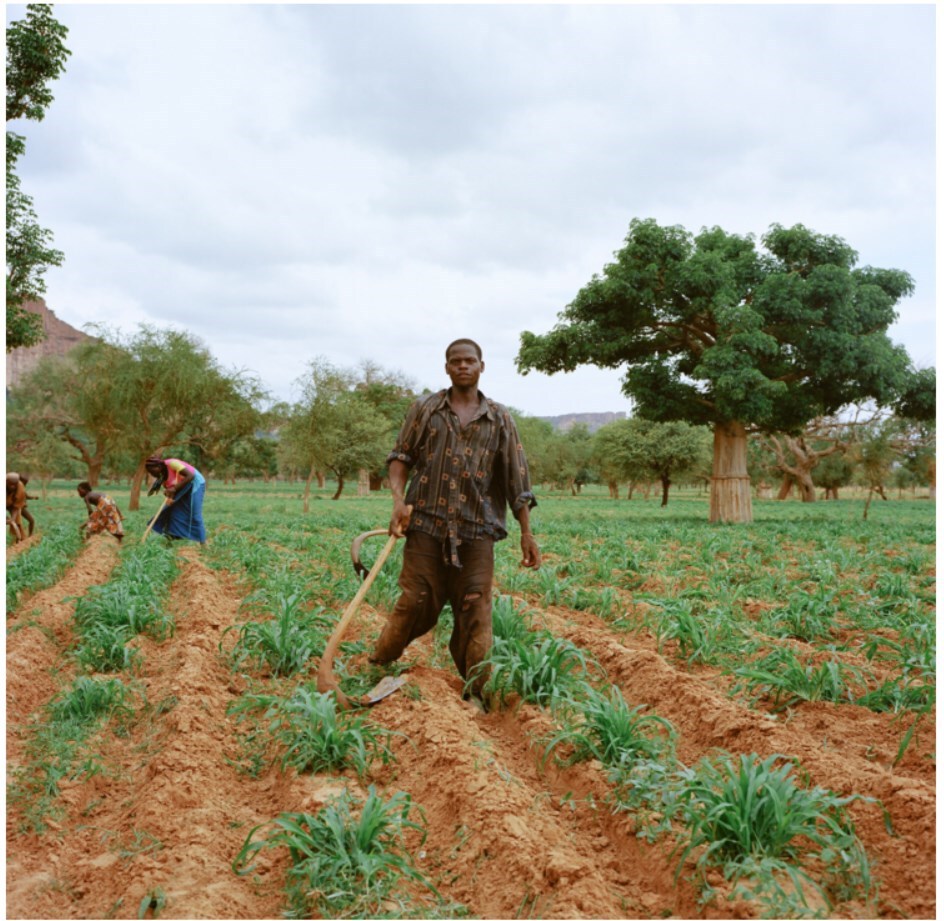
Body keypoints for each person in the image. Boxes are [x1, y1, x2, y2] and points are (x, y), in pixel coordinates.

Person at [368, 338, 541, 709]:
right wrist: (398, 501)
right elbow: (400, 458)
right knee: (414, 601)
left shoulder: (499, 418)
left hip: (477, 532)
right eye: (456, 361)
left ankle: (477, 691)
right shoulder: (425, 409)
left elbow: (517, 480)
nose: (463, 366)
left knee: (476, 611)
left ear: (481, 366)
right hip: (426, 527)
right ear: (446, 367)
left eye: (469, 361)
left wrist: (526, 533)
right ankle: (378, 663)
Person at [144, 455, 207, 544]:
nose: (152, 474)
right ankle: (172, 539)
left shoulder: (172, 463)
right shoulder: (162, 477)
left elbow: (190, 476)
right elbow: (171, 490)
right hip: (182, 486)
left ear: (159, 466)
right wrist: (170, 498)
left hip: (195, 483)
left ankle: (203, 543)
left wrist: (173, 489)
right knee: (173, 511)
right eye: (150, 472)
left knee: (194, 514)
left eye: (152, 471)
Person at [6, 472, 27, 542]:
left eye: (14, 484)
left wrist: (12, 519)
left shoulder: (21, 489)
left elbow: (16, 507)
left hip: (12, 504)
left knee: (17, 522)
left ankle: (21, 539)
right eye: (10, 484)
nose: (12, 487)